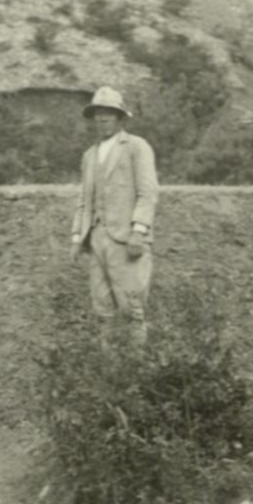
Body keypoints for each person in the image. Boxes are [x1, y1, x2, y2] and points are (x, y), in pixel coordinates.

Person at [69, 86, 159, 344]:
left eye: (109, 113)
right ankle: (109, 361)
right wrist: (77, 237)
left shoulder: (136, 147)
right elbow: (84, 199)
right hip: (97, 238)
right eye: (98, 114)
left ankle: (137, 361)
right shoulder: (89, 155)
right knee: (102, 308)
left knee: (132, 307)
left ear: (120, 117)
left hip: (125, 238)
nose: (103, 118)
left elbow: (148, 192)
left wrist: (138, 231)